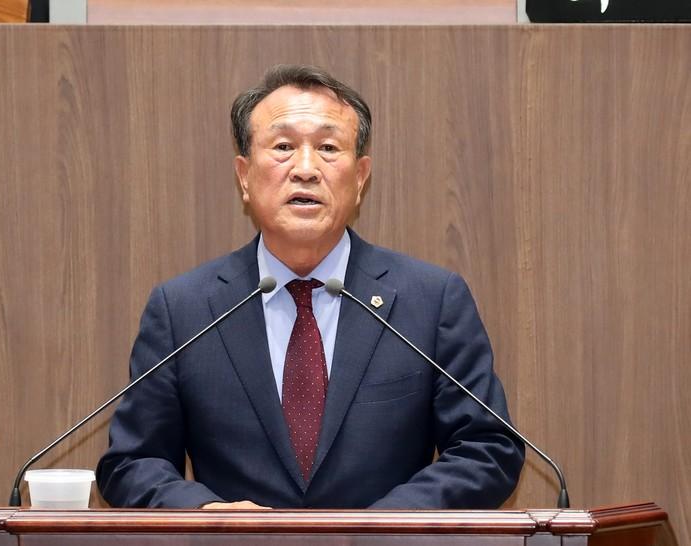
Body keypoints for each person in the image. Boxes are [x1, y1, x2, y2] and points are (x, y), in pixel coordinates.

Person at [96, 64, 524, 510]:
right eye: (283, 147)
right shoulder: (183, 309)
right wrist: (206, 516)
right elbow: (132, 462)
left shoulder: (431, 301)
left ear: (360, 177)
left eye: (328, 148)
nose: (305, 169)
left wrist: (384, 525)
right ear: (244, 176)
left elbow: (488, 448)